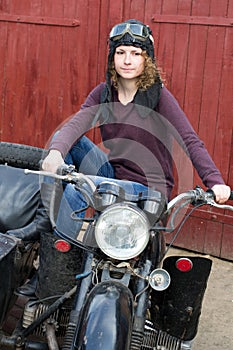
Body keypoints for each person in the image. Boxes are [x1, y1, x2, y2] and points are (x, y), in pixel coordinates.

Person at [42, 19, 230, 206]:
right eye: (121, 52)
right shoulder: (103, 93)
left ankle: (62, 233)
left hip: (149, 189)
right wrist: (55, 153)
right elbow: (76, 125)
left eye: (135, 53)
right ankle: (45, 224)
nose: (127, 61)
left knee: (80, 188)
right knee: (61, 140)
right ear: (112, 57)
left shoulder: (159, 96)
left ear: (146, 59)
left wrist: (215, 181)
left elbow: (189, 140)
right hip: (113, 177)